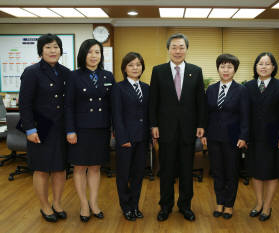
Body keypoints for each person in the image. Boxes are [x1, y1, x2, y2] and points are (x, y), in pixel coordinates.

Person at [149, 33, 206, 222]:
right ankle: (165, 206)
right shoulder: (158, 71)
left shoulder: (196, 71)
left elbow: (200, 102)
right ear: (168, 49)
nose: (178, 51)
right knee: (166, 171)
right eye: (174, 47)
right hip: (165, 130)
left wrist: (200, 125)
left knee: (186, 171)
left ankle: (185, 206)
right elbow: (153, 102)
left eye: (181, 47)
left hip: (188, 131)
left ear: (186, 49)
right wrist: (154, 125)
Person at [19, 33, 70, 222]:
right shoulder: (32, 72)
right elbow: (24, 104)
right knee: (41, 169)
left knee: (59, 168)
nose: (52, 50)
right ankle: (45, 205)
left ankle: (57, 203)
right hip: (41, 129)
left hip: (61, 128)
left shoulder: (65, 72)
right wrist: (30, 129)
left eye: (56, 47)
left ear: (60, 50)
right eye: (48, 47)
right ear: (41, 50)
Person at [65, 39, 115, 222]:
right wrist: (70, 130)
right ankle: (84, 205)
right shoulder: (74, 76)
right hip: (81, 129)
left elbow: (112, 105)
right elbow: (68, 106)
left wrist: (113, 128)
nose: (94, 56)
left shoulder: (108, 76)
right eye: (90, 52)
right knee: (79, 168)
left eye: (97, 52)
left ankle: (94, 203)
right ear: (83, 54)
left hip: (101, 128)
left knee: (95, 168)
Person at [201, 54, 249, 219]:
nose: (226, 70)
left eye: (229, 67)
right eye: (222, 66)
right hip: (214, 137)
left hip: (233, 139)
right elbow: (206, 114)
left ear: (234, 69)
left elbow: (245, 116)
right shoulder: (211, 89)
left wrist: (243, 136)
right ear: (218, 69)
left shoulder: (242, 90)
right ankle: (219, 202)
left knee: (231, 172)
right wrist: (205, 133)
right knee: (217, 172)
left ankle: (229, 205)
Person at [245, 52, 279, 221]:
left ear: (273, 67)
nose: (263, 67)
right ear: (256, 67)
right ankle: (258, 203)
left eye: (267, 64)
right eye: (260, 64)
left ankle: (268, 206)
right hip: (253, 137)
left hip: (273, 137)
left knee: (271, 173)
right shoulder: (248, 86)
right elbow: (244, 114)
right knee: (255, 172)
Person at [111, 52, 149, 221]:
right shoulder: (118, 88)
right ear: (124, 68)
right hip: (126, 139)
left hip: (142, 138)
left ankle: (134, 206)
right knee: (124, 175)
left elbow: (148, 114)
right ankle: (125, 206)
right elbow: (117, 116)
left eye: (138, 65)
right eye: (131, 65)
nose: (135, 68)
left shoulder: (147, 88)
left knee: (138, 174)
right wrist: (122, 138)